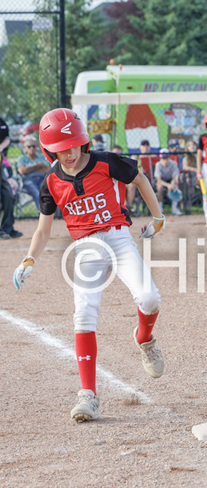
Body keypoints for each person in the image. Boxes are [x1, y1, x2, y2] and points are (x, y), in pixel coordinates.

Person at [12, 108, 166, 423]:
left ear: (84, 142)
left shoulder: (105, 162)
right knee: (84, 314)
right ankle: (88, 395)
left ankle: (143, 338)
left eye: (74, 145)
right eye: (60, 148)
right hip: (85, 248)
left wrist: (159, 217)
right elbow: (43, 230)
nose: (69, 153)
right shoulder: (51, 182)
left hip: (119, 239)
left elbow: (139, 178)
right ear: (48, 150)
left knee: (150, 299)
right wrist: (30, 258)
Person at [0, 115, 22, 239]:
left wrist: (1, 146)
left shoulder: (1, 122)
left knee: (8, 193)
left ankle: (7, 227)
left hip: (0, 165)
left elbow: (7, 138)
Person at [16, 136, 50, 210]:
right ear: (25, 148)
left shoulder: (42, 157)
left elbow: (47, 170)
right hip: (28, 180)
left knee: (44, 192)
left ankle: (49, 212)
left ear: (36, 147)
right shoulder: (22, 158)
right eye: (29, 146)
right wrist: (38, 166)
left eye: (33, 146)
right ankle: (42, 212)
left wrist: (29, 170)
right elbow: (22, 171)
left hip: (42, 179)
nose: (32, 148)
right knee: (36, 192)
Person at [128, 139, 157, 207]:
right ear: (140, 147)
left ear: (149, 147)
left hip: (150, 179)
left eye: (147, 145)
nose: (145, 147)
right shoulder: (136, 157)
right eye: (143, 145)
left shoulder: (153, 157)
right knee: (131, 185)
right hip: (138, 178)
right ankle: (129, 207)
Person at [154, 148, 182, 215]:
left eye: (166, 158)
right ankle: (160, 209)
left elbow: (175, 177)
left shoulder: (173, 163)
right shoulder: (158, 164)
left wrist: (172, 184)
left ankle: (174, 209)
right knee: (159, 187)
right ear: (160, 159)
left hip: (170, 180)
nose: (165, 160)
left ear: (169, 157)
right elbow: (159, 180)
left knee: (175, 186)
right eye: (163, 159)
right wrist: (168, 185)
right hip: (162, 182)